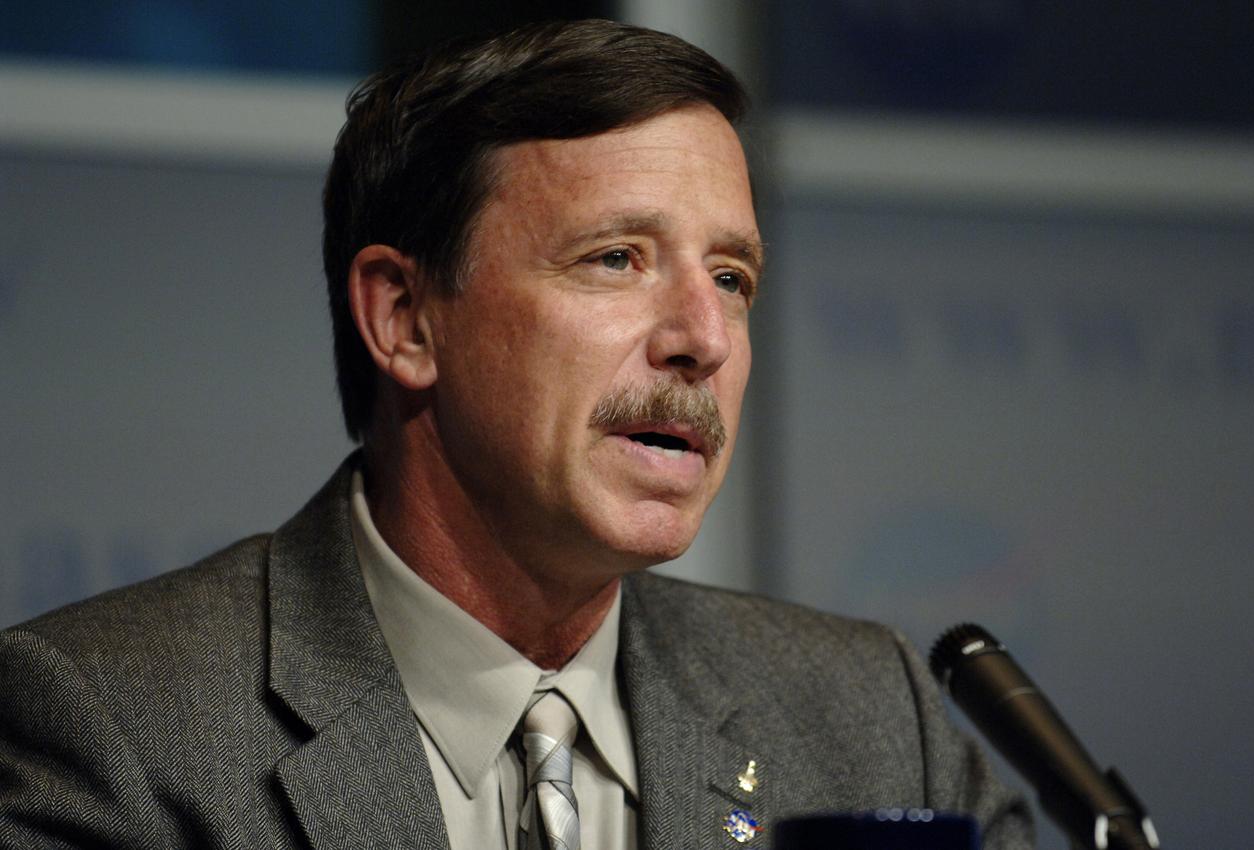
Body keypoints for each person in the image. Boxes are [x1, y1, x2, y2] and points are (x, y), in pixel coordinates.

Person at [0, 19, 1032, 850]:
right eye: (615, 258)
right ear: (404, 317)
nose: (702, 338)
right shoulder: (112, 730)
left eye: (731, 278)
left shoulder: (866, 719)